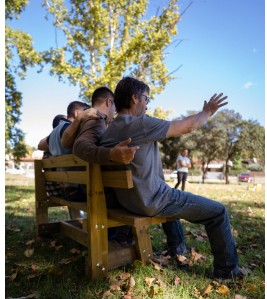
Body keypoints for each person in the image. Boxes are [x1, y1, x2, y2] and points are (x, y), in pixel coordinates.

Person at [100, 76, 244, 280]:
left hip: (129, 201)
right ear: (134, 98)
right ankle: (227, 271)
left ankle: (176, 248)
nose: (147, 104)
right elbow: (188, 126)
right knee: (218, 212)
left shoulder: (109, 130)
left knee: (172, 194)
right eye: (146, 99)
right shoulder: (139, 123)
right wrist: (207, 112)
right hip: (151, 200)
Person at [73, 87, 189, 256]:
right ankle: (178, 248)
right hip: (115, 198)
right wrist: (111, 154)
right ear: (109, 102)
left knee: (148, 192)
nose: (115, 112)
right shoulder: (97, 121)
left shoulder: (101, 126)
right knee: (161, 196)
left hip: (114, 193)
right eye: (114, 107)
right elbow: (81, 147)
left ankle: (124, 237)